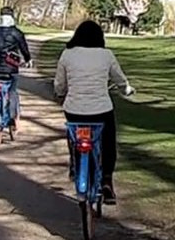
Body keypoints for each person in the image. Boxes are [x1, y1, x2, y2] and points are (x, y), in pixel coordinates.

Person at [53, 20, 134, 205]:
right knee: (107, 142)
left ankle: (75, 165)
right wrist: (126, 90)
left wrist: (59, 94)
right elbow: (120, 79)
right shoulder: (106, 55)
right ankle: (106, 180)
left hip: (74, 110)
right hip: (101, 111)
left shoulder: (67, 54)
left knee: (74, 135)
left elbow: (59, 83)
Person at [0, 6, 31, 127]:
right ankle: (12, 118)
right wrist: (28, 60)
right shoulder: (16, 33)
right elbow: (24, 49)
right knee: (12, 91)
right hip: (11, 69)